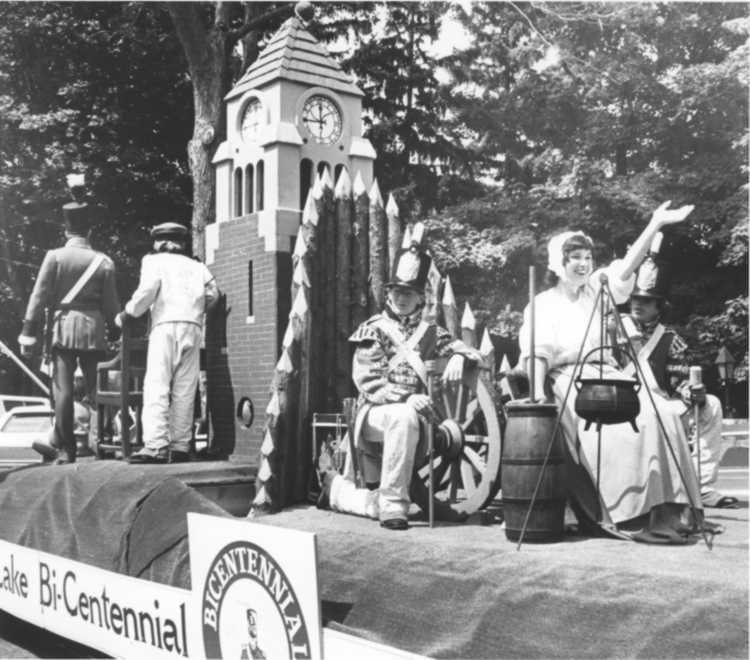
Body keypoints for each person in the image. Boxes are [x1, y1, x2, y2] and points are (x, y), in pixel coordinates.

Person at [518, 201, 707, 543]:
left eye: (587, 257)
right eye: (575, 257)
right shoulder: (543, 303)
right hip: (569, 380)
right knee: (626, 428)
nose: (583, 263)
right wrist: (539, 396)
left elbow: (625, 268)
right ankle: (631, 513)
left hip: (608, 374)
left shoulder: (595, 291)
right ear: (558, 263)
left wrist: (655, 224)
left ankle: (673, 510)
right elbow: (537, 354)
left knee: (663, 413)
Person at [316, 230, 480, 530]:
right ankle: (392, 505)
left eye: (409, 293)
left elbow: (468, 351)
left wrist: (459, 357)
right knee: (403, 416)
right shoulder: (373, 329)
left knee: (407, 417)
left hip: (417, 418)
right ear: (388, 294)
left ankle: (340, 493)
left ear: (420, 297)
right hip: (374, 415)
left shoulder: (431, 333)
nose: (402, 299)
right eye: (397, 292)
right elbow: (369, 380)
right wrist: (407, 398)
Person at [616, 250, 737, 509]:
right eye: (635, 298)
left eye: (646, 301)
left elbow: (677, 381)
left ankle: (702, 487)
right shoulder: (612, 330)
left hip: (661, 404)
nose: (638, 304)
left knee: (712, 404)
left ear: (659, 307)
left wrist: (692, 393)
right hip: (622, 404)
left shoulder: (671, 339)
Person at [19, 174, 120, 464]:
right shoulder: (104, 261)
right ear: (90, 229)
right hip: (94, 328)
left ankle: (66, 449)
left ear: (66, 229)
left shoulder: (54, 257)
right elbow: (111, 305)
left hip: (63, 328)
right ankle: (100, 443)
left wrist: (29, 333)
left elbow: (38, 297)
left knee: (62, 391)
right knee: (96, 389)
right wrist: (115, 334)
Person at [118, 222, 219, 464]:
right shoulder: (198, 266)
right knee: (185, 388)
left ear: (159, 242)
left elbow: (146, 292)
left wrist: (128, 313)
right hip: (193, 326)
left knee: (157, 384)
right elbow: (213, 295)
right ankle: (181, 446)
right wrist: (195, 310)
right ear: (181, 243)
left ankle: (156, 445)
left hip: (165, 325)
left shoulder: (153, 261)